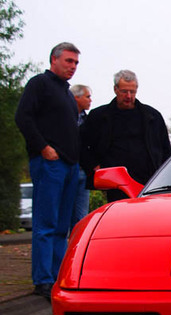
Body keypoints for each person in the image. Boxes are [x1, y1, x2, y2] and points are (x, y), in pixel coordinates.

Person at [14, 42, 81, 300]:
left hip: (69, 165)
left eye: (75, 63)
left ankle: (57, 276)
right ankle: (42, 279)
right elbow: (23, 117)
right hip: (49, 163)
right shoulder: (39, 84)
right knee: (46, 223)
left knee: (62, 226)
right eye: (68, 61)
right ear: (54, 60)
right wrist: (43, 147)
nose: (72, 67)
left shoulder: (65, 93)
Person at [81, 70, 171, 202]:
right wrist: (94, 167)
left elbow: (166, 150)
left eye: (132, 92)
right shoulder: (99, 117)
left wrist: (164, 176)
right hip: (115, 183)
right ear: (115, 89)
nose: (129, 96)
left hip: (149, 182)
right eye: (124, 91)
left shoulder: (153, 117)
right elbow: (82, 145)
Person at [70, 84, 92, 230]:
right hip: (68, 167)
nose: (90, 100)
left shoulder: (89, 120)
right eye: (87, 97)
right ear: (76, 98)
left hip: (83, 169)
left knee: (81, 215)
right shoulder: (65, 118)